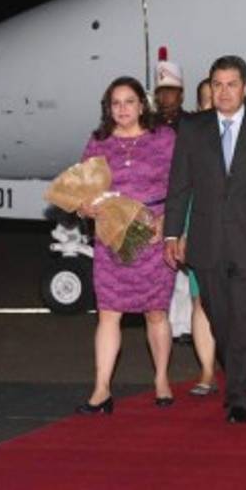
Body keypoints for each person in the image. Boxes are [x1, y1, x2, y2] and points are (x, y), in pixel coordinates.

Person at [164, 56, 246, 423]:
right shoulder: (193, 129)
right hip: (206, 242)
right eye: (218, 84)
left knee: (243, 320)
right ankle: (235, 369)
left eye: (231, 84)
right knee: (219, 318)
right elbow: (180, 185)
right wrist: (173, 233)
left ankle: (240, 396)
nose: (224, 92)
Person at [75, 77, 178, 414]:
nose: (122, 109)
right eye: (115, 103)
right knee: (108, 313)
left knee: (156, 312)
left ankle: (161, 379)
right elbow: (83, 191)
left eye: (129, 101)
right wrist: (84, 207)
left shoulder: (164, 138)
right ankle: (101, 389)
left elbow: (181, 184)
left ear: (142, 104)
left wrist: (168, 223)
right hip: (113, 237)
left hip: (153, 235)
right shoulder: (98, 142)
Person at [184, 78, 218, 396]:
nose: (216, 101)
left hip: (239, 232)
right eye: (208, 98)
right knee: (201, 300)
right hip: (199, 229)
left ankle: (236, 365)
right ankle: (207, 370)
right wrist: (179, 233)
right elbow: (180, 189)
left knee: (235, 303)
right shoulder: (190, 140)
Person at [155, 56, 193, 344]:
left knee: (184, 269)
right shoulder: (149, 127)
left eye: (171, 91)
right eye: (161, 92)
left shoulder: (192, 125)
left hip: (186, 200)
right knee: (163, 269)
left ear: (181, 95)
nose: (166, 97)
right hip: (157, 203)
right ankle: (166, 324)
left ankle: (185, 325)